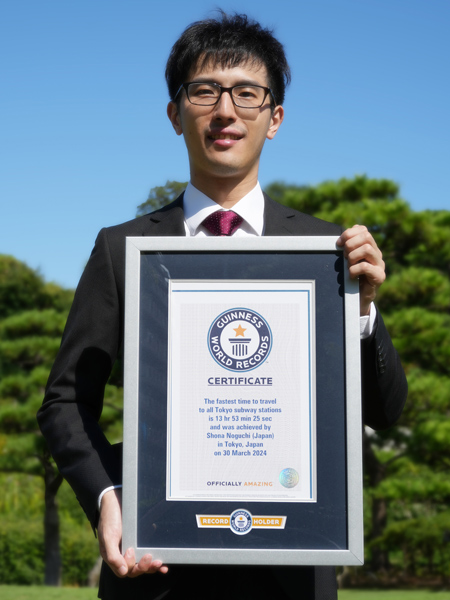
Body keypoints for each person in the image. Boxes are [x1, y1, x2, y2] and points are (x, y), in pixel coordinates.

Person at [37, 11, 407, 600]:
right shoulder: (123, 249)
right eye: (204, 91)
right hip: (156, 571)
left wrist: (362, 311)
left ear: (275, 117)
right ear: (175, 113)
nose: (226, 110)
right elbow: (65, 401)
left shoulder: (326, 253)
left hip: (293, 576)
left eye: (247, 93)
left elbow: (385, 414)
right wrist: (109, 498)